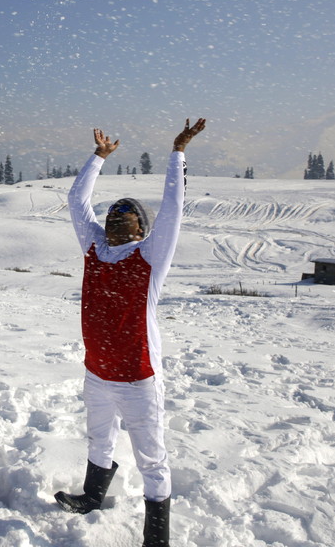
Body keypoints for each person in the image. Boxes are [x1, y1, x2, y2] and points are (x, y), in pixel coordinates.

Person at [55, 119, 206, 547]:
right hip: (97, 373)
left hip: (139, 378)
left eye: (127, 214)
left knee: (151, 458)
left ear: (142, 226)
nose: (116, 218)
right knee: (98, 439)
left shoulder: (150, 255)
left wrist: (178, 152)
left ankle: (156, 537)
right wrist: (98, 158)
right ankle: (92, 496)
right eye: (112, 214)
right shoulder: (93, 249)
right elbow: (76, 199)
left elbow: (173, 208)